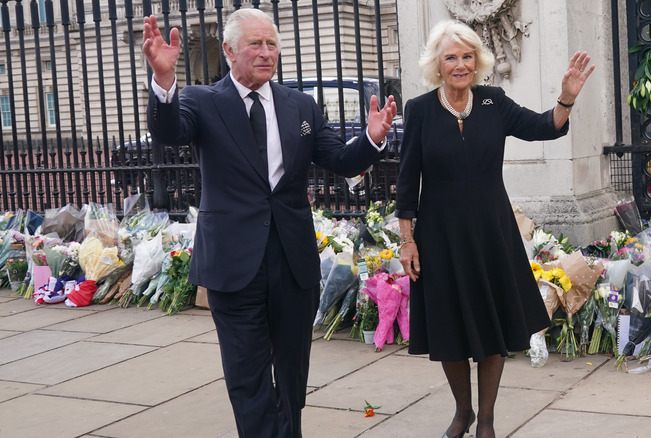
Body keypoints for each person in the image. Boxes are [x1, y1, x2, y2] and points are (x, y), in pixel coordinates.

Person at [142, 9, 396, 438]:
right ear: (228, 51)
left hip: (291, 261)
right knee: (248, 377)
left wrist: (372, 139)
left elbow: (339, 159)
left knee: (293, 376)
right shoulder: (203, 100)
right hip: (233, 263)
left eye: (272, 44)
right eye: (255, 44)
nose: (266, 53)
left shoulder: (299, 105)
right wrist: (164, 82)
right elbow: (170, 131)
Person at [395, 20, 593, 438]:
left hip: (491, 231)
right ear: (437, 64)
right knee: (449, 326)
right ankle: (461, 412)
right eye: (452, 57)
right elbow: (408, 178)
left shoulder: (493, 102)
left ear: (478, 61)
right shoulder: (420, 110)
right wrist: (407, 240)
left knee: (492, 326)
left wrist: (567, 98)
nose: (461, 64)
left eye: (468, 56)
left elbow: (543, 126)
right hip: (440, 236)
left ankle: (485, 421)